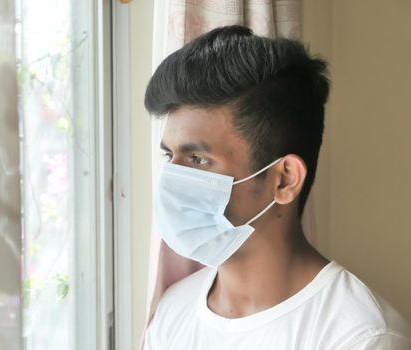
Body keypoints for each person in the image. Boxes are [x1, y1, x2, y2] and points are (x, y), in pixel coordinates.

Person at [143, 25, 411, 349]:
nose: (171, 180)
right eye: (168, 155)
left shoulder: (361, 336)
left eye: (198, 160)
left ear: (284, 180)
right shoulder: (174, 310)